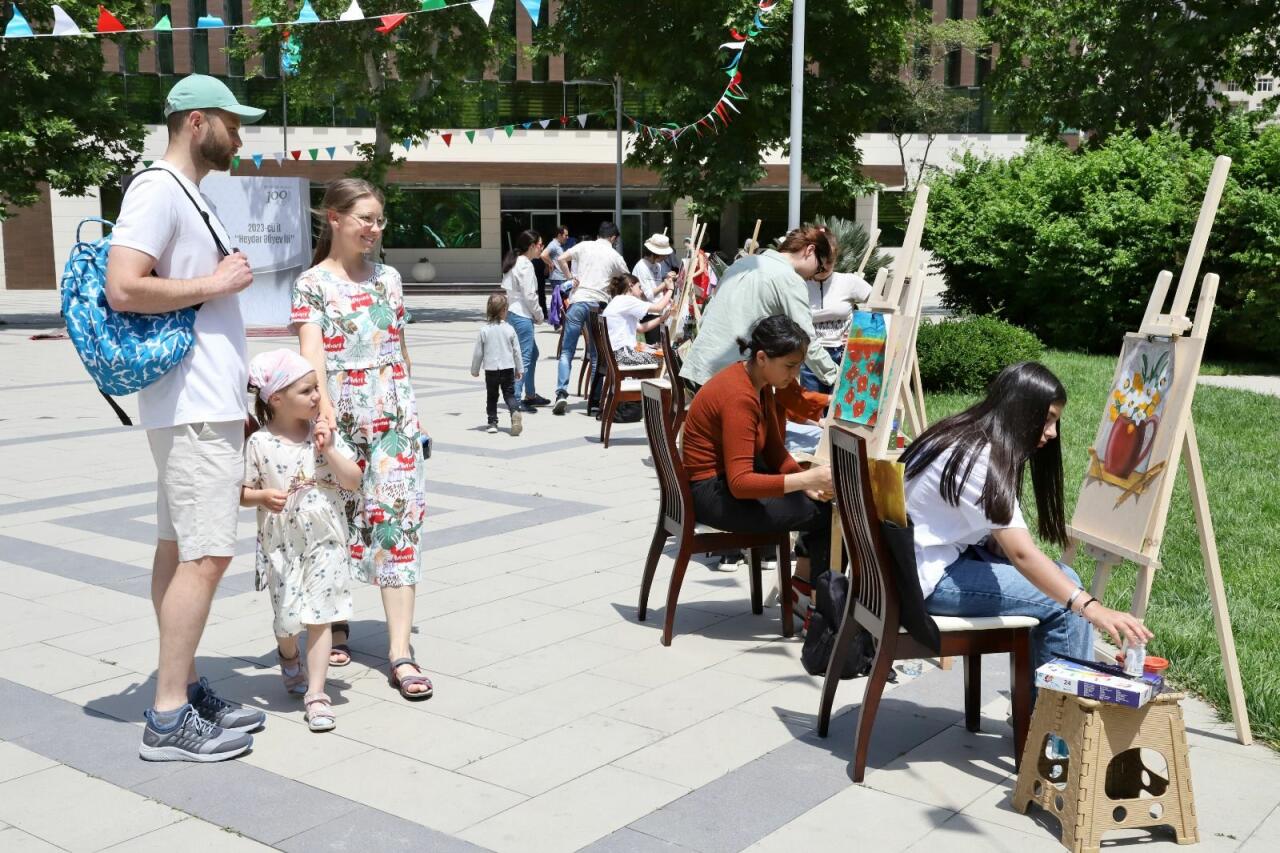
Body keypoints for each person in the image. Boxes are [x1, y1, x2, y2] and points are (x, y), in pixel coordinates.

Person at [106, 74, 267, 762]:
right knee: (206, 555)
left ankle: (187, 686)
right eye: (233, 123)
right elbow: (124, 285)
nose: (240, 137)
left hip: (202, 404)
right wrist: (216, 282)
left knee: (178, 551)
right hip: (193, 407)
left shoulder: (187, 192)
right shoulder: (157, 189)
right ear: (197, 122)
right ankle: (169, 716)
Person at [902, 362, 1153, 679]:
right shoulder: (980, 459)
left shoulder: (961, 433)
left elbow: (998, 540)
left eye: (1055, 421)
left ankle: (1044, 703)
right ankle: (1059, 710)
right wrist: (1093, 608)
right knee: (1067, 606)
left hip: (911, 567)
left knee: (1065, 579)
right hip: (927, 581)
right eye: (1047, 419)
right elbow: (1022, 554)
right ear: (1019, 409)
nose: (1052, 432)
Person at [291, 178, 433, 701]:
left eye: (379, 220)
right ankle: (336, 622)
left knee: (398, 523)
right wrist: (322, 412)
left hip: (392, 414)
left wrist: (413, 415)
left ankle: (400, 652)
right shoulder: (311, 283)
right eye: (365, 219)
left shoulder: (389, 279)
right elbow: (312, 352)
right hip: (340, 414)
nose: (375, 228)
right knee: (335, 522)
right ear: (334, 218)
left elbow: (399, 346)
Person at [242, 350, 362, 732]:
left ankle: (317, 693)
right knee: (287, 619)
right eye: (307, 390)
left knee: (320, 614)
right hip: (282, 545)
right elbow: (241, 492)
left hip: (325, 539)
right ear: (276, 398)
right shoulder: (259, 442)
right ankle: (287, 653)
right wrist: (262, 497)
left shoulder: (322, 434)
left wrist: (329, 450)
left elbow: (353, 480)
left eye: (317, 388)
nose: (316, 396)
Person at [682, 316, 835, 580]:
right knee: (825, 514)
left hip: (719, 486)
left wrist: (804, 483)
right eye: (789, 366)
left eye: (798, 366)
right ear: (762, 357)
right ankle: (813, 594)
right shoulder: (740, 396)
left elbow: (774, 450)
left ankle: (804, 588)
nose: (795, 375)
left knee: (818, 503)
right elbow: (740, 483)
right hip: (712, 494)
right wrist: (805, 479)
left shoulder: (757, 381)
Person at [681, 225, 840, 392]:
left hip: (699, 365)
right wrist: (836, 377)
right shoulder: (790, 279)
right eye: (819, 268)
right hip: (732, 378)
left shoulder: (742, 263)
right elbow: (806, 339)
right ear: (810, 250)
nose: (815, 276)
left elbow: (708, 312)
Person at [552, 221, 628, 415]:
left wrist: (570, 278)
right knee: (596, 355)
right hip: (598, 305)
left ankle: (561, 393)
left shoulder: (584, 246)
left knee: (567, 351)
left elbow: (561, 258)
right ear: (613, 238)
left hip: (578, 301)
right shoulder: (614, 256)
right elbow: (628, 279)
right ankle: (594, 403)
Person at [800, 270, 874, 393]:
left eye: (829, 261)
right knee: (812, 403)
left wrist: (860, 332)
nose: (824, 266)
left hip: (843, 354)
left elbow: (882, 307)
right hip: (811, 356)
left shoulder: (849, 281)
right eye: (820, 262)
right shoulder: (800, 285)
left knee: (841, 403)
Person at [501, 229, 548, 411]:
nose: (542, 248)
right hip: (522, 315)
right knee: (525, 358)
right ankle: (516, 399)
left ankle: (530, 394)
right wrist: (539, 315)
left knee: (532, 354)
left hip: (513, 313)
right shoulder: (526, 265)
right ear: (531, 246)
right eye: (540, 245)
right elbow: (530, 296)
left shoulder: (515, 261)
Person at [471, 293, 525, 435]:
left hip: (491, 370)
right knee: (509, 395)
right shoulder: (509, 329)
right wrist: (519, 369)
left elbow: (478, 352)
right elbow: (517, 351)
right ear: (504, 311)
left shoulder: (484, 330)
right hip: (507, 368)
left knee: (492, 396)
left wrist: (475, 369)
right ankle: (515, 412)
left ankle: (492, 423)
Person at [602, 273, 673, 367]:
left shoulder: (617, 301)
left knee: (657, 354)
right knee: (665, 359)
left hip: (614, 354)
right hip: (622, 355)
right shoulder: (627, 300)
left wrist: (663, 318)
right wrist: (670, 290)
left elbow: (641, 328)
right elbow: (658, 308)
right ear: (631, 286)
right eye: (639, 287)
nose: (641, 291)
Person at [632, 233, 678, 301]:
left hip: (658, 304)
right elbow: (647, 295)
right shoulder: (641, 267)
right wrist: (665, 283)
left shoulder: (657, 265)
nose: (665, 257)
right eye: (664, 254)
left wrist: (666, 278)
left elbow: (656, 287)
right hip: (648, 306)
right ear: (655, 253)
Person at [540, 224, 571, 301]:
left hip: (561, 278)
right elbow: (543, 255)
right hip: (557, 278)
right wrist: (551, 263)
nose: (567, 237)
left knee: (562, 301)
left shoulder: (559, 245)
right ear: (559, 235)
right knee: (562, 301)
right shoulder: (553, 244)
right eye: (566, 235)